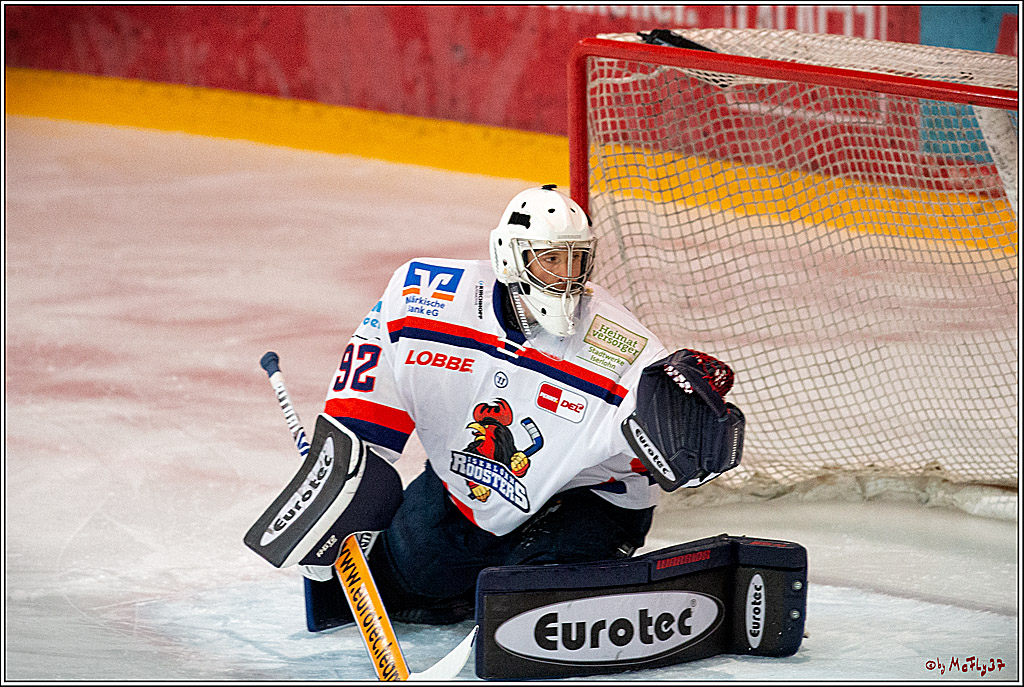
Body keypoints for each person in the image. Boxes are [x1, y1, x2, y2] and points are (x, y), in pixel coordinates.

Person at [315, 185, 673, 624]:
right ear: (509, 255)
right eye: (551, 259)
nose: (567, 276)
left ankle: (558, 577)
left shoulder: (623, 345)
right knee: (406, 577)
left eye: (576, 258)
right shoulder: (425, 297)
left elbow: (660, 450)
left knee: (531, 612)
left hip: (587, 498)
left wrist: (684, 428)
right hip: (467, 488)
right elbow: (365, 413)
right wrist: (337, 491)